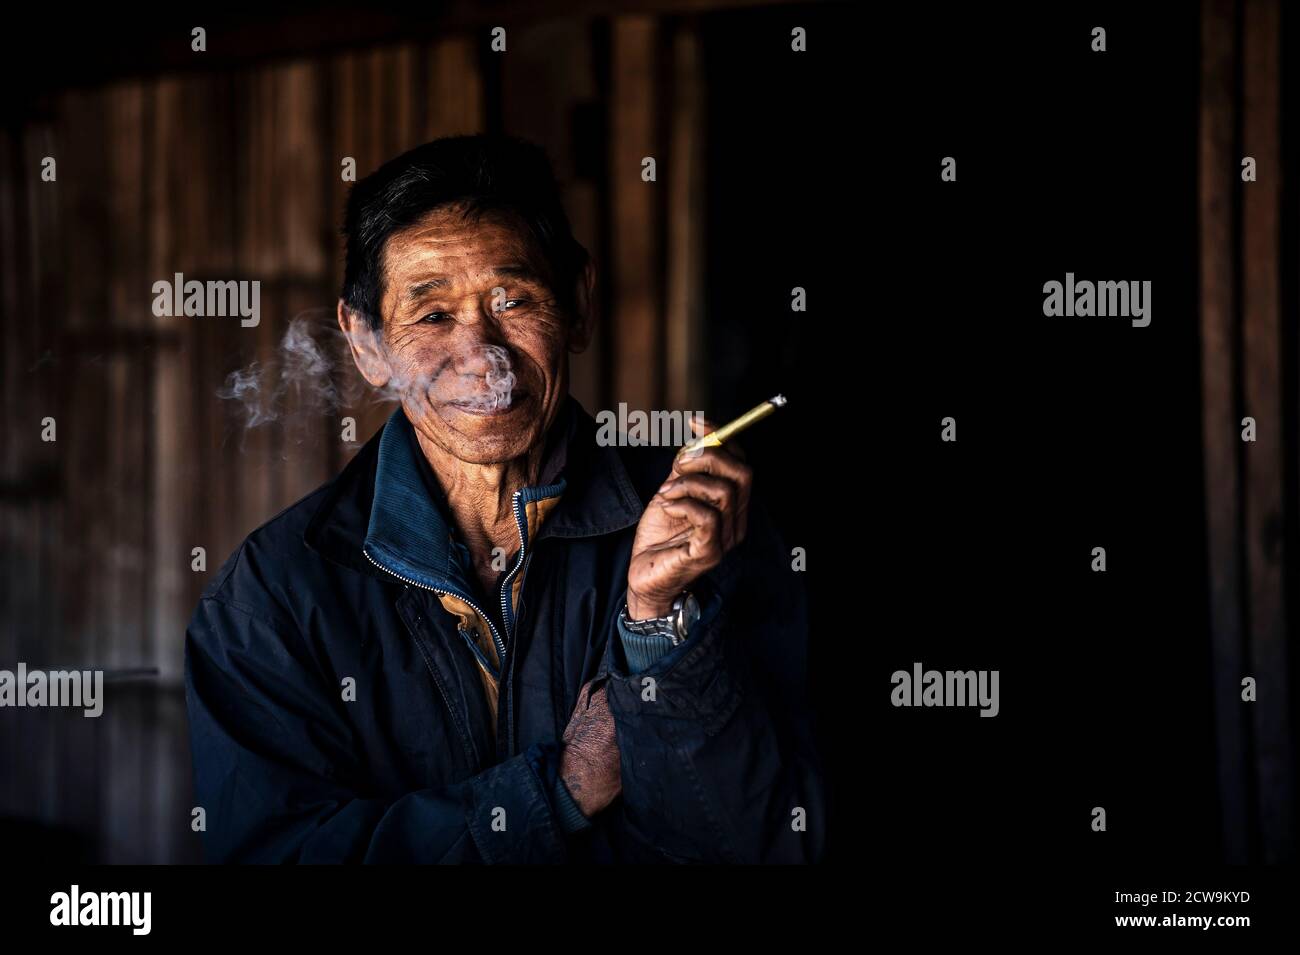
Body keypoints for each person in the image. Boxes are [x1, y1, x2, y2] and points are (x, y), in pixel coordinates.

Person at [184, 134, 825, 863]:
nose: (481, 355)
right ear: (365, 344)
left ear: (578, 303)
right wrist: (556, 789)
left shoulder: (703, 531)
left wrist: (662, 634)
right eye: (431, 317)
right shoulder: (271, 599)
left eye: (514, 298)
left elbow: (773, 846)